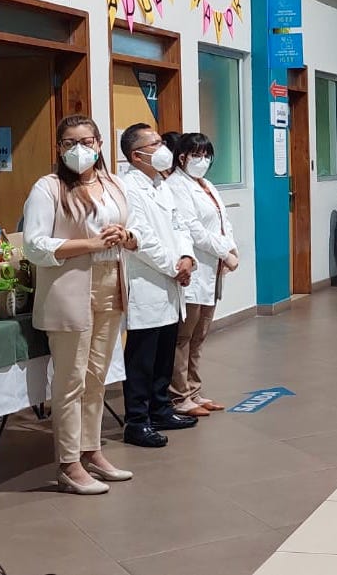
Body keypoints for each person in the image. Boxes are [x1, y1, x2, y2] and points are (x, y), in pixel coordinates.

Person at [23, 114, 136, 494]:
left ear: (100, 144)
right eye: (70, 143)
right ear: (59, 148)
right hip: (70, 289)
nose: (79, 150)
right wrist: (90, 244)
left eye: (87, 142)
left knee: (96, 376)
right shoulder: (48, 187)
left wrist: (126, 235)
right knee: (70, 380)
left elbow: (134, 228)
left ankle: (91, 451)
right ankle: (68, 464)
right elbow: (34, 245)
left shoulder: (113, 183)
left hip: (111, 283)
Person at [119, 123, 199, 448]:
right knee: (142, 357)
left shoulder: (161, 184)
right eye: (154, 143)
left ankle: (161, 409)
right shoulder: (127, 188)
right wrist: (172, 267)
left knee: (165, 350)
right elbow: (142, 239)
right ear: (137, 155)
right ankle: (137, 421)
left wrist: (187, 257)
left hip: (171, 282)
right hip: (146, 282)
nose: (163, 147)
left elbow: (180, 225)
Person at [165, 133, 238, 418]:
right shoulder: (176, 185)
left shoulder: (206, 184)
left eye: (207, 155)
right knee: (184, 337)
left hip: (213, 270)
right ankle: (179, 395)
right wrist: (225, 252)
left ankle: (194, 390)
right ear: (182, 157)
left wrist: (231, 247)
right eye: (197, 155)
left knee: (199, 335)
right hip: (194, 269)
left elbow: (223, 221)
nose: (203, 160)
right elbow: (193, 229)